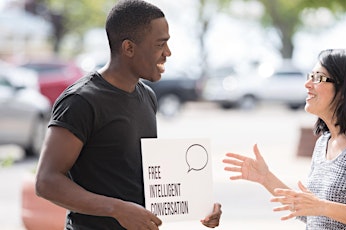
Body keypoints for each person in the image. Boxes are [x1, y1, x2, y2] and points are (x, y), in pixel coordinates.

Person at [35, 1, 222, 229]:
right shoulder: (81, 101)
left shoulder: (147, 96)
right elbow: (47, 181)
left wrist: (198, 206)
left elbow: (141, 176)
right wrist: (117, 209)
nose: (168, 53)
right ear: (129, 48)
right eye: (160, 44)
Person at [223, 49, 346, 229]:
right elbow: (311, 212)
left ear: (345, 91)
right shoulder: (323, 143)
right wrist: (265, 178)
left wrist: (323, 206)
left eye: (318, 78)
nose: (307, 84)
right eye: (309, 76)